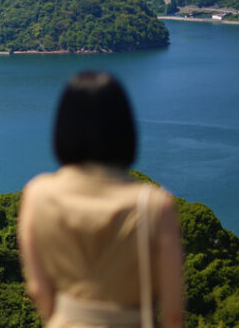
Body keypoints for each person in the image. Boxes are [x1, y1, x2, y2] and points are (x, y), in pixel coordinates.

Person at [18, 71, 184, 328]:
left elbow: (39, 288)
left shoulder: (38, 194)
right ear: (125, 128)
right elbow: (173, 312)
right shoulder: (154, 205)